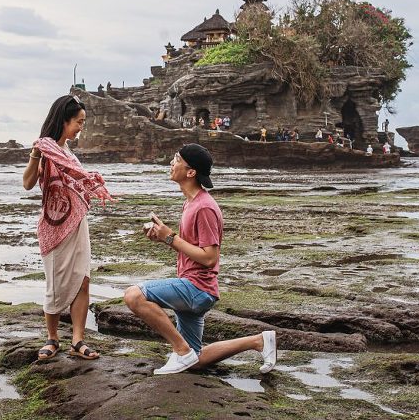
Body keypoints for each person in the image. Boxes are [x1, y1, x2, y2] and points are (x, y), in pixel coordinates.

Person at [124, 144, 277, 375]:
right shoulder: (191, 203)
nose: (171, 163)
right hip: (194, 286)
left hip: (197, 288)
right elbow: (191, 249)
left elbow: (209, 258)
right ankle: (258, 341)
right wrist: (163, 238)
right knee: (195, 360)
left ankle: (181, 350)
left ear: (191, 172)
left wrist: (171, 238)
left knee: (134, 296)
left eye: (177, 159)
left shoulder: (204, 207)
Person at [23, 95, 113, 361]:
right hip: (55, 225)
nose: (81, 128)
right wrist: (35, 154)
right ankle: (52, 338)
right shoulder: (46, 150)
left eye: (83, 122)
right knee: (55, 283)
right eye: (78, 122)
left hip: (77, 223)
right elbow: (28, 183)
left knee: (82, 280)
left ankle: (77, 340)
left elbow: (79, 182)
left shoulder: (68, 153)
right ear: (63, 120)